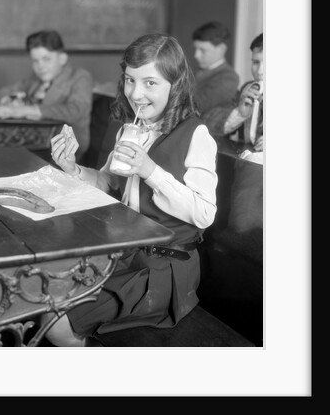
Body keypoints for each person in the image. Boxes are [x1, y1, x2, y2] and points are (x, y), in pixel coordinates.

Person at [41, 33, 218, 346]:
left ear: (174, 85)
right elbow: (109, 182)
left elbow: (204, 214)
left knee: (54, 323)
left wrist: (150, 171)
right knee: (42, 293)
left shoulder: (196, 134)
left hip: (165, 268)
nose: (136, 93)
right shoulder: (130, 129)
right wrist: (73, 168)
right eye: (129, 80)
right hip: (125, 255)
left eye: (150, 83)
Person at [0, 29, 94, 157]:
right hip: (31, 142)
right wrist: (7, 100)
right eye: (35, 61)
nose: (40, 66)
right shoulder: (36, 79)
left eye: (46, 59)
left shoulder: (79, 77)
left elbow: (76, 111)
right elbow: (6, 90)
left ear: (62, 58)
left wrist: (23, 110)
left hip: (66, 148)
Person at [202, 33, 264, 153]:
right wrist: (240, 113)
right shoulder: (246, 90)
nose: (260, 71)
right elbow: (207, 123)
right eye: (256, 62)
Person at [191, 21, 240, 115]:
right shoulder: (194, 72)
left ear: (221, 49)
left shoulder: (228, 78)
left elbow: (197, 106)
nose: (196, 55)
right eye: (196, 49)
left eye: (202, 50)